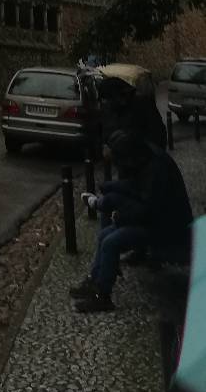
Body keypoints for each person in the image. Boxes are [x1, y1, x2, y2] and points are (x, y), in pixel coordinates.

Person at [70, 130, 193, 313]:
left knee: (112, 241)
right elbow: (136, 188)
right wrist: (110, 188)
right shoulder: (146, 160)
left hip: (167, 227)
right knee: (105, 235)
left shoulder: (156, 170)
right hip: (156, 220)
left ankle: (103, 296)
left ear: (130, 157)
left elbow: (149, 209)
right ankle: (97, 280)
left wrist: (120, 217)